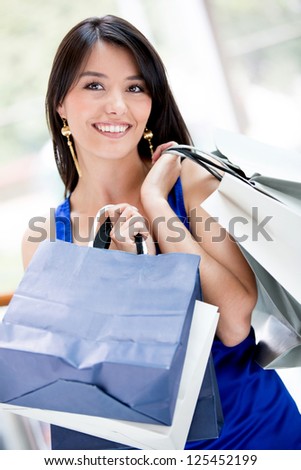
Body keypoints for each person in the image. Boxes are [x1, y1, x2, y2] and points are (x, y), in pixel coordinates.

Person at [22, 15, 301, 450]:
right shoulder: (45, 240)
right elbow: (74, 378)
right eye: (94, 85)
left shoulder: (190, 184)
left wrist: (156, 205)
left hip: (255, 435)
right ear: (60, 103)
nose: (117, 105)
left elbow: (233, 324)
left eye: (135, 87)